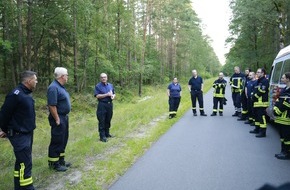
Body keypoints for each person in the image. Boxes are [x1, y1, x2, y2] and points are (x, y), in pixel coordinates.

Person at [0, 71, 38, 190]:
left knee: (21, 162)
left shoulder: (27, 93)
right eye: (35, 80)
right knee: (25, 163)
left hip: (27, 133)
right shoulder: (15, 94)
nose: (36, 82)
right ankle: (27, 188)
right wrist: (3, 129)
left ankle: (19, 187)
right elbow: (4, 114)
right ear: (28, 81)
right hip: (18, 134)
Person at [47, 67, 71, 172]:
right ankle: (54, 163)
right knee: (57, 140)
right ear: (62, 76)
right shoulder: (53, 88)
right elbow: (52, 105)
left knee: (63, 139)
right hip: (58, 117)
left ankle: (61, 160)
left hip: (64, 117)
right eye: (67, 75)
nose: (67, 77)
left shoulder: (60, 86)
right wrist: (57, 119)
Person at [273, 72, 290, 160]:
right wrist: (275, 107)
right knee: (282, 136)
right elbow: (278, 101)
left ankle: (287, 154)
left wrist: (277, 111)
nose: (281, 79)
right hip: (281, 118)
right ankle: (283, 151)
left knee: (287, 138)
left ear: (288, 79)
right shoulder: (285, 89)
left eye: (283, 78)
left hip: (287, 118)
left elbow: (287, 104)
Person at [95, 73, 115, 142]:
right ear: (100, 78)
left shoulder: (110, 85)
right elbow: (97, 96)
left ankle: (107, 133)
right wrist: (107, 94)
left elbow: (113, 93)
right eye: (102, 77)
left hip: (109, 104)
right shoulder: (98, 86)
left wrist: (113, 96)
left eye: (105, 77)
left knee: (108, 119)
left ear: (107, 78)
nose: (103, 78)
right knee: (102, 120)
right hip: (102, 105)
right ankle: (102, 136)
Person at [249, 68, 269, 138]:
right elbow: (255, 90)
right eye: (257, 72)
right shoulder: (257, 81)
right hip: (256, 102)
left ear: (263, 73)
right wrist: (252, 95)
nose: (257, 73)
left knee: (262, 117)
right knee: (256, 117)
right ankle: (257, 129)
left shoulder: (265, 81)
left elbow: (262, 91)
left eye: (258, 72)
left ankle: (263, 132)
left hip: (262, 103)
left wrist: (254, 96)